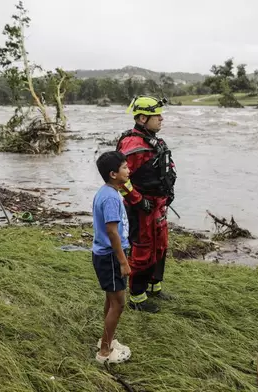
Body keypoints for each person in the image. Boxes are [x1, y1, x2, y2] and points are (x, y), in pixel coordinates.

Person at [116, 96, 177, 313]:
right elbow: (120, 178)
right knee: (143, 249)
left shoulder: (153, 140)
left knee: (160, 246)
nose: (161, 119)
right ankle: (137, 297)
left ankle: (154, 286)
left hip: (158, 204)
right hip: (142, 208)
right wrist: (138, 201)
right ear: (143, 118)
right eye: (157, 115)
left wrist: (168, 193)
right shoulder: (132, 144)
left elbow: (165, 167)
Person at [92, 151, 133, 364]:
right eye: (125, 167)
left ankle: (105, 340)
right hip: (110, 256)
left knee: (111, 299)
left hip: (106, 254)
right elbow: (112, 231)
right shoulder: (109, 197)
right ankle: (105, 353)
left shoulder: (108, 191)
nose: (129, 170)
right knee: (119, 303)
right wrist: (123, 261)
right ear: (113, 173)